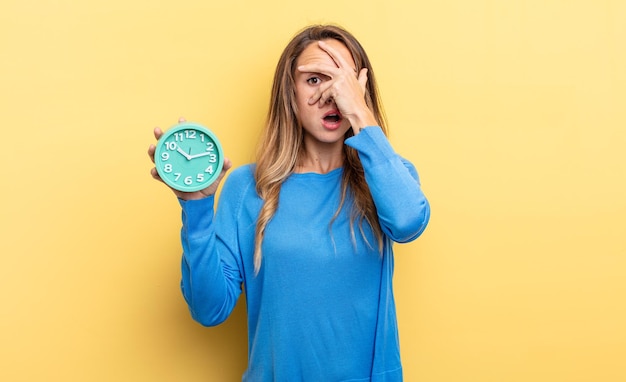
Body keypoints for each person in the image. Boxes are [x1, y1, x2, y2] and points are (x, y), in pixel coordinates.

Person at [148, 24, 430, 382]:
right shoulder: (248, 187)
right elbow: (209, 309)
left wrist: (360, 115)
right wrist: (197, 208)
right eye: (314, 79)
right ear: (290, 94)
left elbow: (408, 222)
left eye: (341, 78)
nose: (331, 93)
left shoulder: (388, 175)